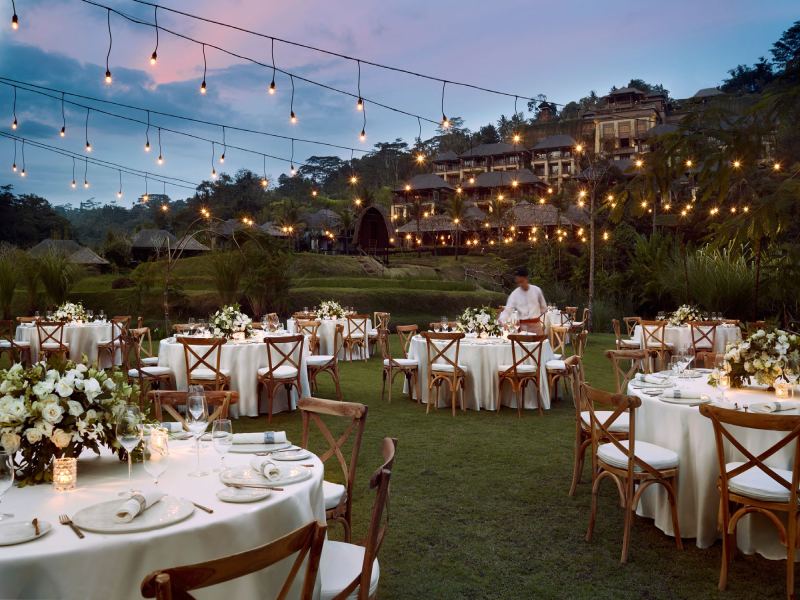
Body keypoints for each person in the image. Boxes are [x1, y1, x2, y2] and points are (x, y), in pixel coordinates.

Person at [498, 267, 547, 333]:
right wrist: (502, 321)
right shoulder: (514, 294)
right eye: (518, 282)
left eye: (522, 281)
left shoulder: (536, 290)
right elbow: (508, 310)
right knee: (523, 340)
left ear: (526, 278)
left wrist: (535, 316)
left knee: (540, 340)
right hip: (523, 327)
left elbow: (544, 308)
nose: (520, 284)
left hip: (536, 326)